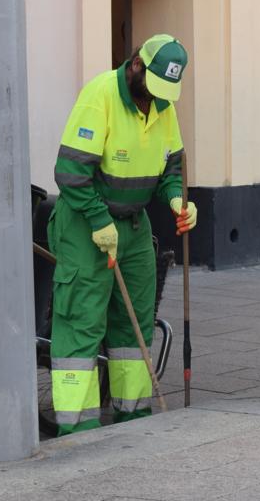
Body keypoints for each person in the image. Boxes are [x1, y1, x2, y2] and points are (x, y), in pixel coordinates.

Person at [49, 34, 198, 435]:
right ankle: (77, 427)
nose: (155, 100)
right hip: (85, 224)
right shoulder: (99, 95)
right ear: (136, 65)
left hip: (133, 226)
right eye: (151, 89)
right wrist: (99, 221)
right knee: (81, 321)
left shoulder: (164, 106)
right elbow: (70, 173)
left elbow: (172, 170)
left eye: (164, 92)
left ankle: (133, 414)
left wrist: (177, 203)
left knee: (134, 325)